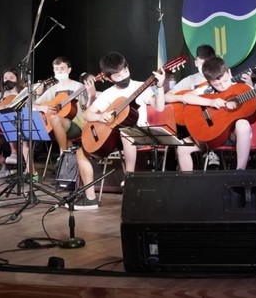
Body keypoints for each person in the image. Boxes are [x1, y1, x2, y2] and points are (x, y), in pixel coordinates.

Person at [74, 52, 165, 210]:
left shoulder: (140, 86)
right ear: (109, 78)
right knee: (80, 152)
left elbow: (159, 107)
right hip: (114, 135)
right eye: (117, 75)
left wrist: (161, 86)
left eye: (125, 71)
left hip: (139, 133)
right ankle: (90, 199)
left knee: (126, 132)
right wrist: (100, 116)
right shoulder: (109, 93)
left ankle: (130, 178)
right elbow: (87, 114)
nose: (123, 76)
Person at [175, 56, 256, 172]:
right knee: (182, 148)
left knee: (242, 123)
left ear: (228, 72)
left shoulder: (244, 89)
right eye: (217, 84)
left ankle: (240, 172)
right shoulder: (207, 90)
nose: (223, 86)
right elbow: (186, 97)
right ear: (210, 82)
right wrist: (211, 101)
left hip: (235, 136)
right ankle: (188, 185)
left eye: (225, 80)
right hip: (213, 135)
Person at [165, 45, 218, 169]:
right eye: (202, 63)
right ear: (196, 63)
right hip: (193, 123)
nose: (205, 67)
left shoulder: (219, 78)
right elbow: (167, 97)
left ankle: (209, 151)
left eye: (208, 63)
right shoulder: (190, 80)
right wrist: (182, 98)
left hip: (214, 121)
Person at [35, 57, 97, 160]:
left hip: (77, 125)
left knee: (55, 119)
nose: (59, 71)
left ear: (69, 70)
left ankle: (63, 155)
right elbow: (31, 105)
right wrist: (43, 108)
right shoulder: (53, 89)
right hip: (55, 127)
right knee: (50, 121)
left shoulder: (78, 87)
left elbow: (88, 109)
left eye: (62, 68)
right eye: (56, 69)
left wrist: (92, 96)